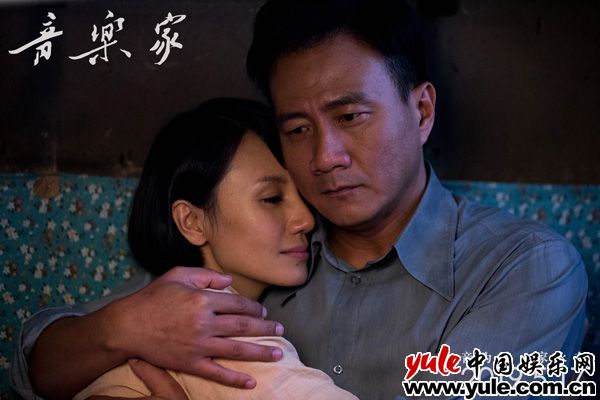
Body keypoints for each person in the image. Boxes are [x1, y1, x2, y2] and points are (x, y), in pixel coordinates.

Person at [11, 1, 588, 399]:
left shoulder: (524, 270)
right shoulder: (263, 250)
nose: (325, 156)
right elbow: (37, 366)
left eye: (350, 116)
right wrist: (118, 329)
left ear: (421, 112)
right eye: (297, 129)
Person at [69, 97, 357, 399]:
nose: (306, 220)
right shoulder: (214, 331)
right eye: (272, 198)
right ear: (193, 222)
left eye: (303, 195)